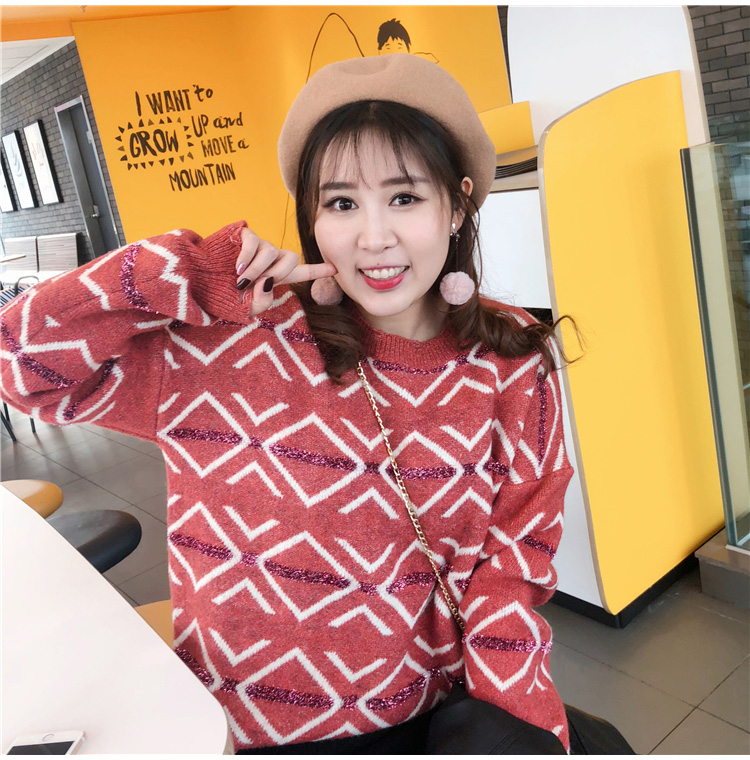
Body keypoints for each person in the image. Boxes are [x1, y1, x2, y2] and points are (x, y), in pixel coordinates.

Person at [0, 55, 575, 753]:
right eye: (341, 203)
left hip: (425, 721)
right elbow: (20, 365)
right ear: (311, 216)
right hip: (240, 731)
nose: (373, 237)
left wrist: (520, 727)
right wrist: (184, 272)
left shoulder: (511, 360)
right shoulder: (229, 341)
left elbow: (511, 572)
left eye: (404, 197)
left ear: (456, 205)